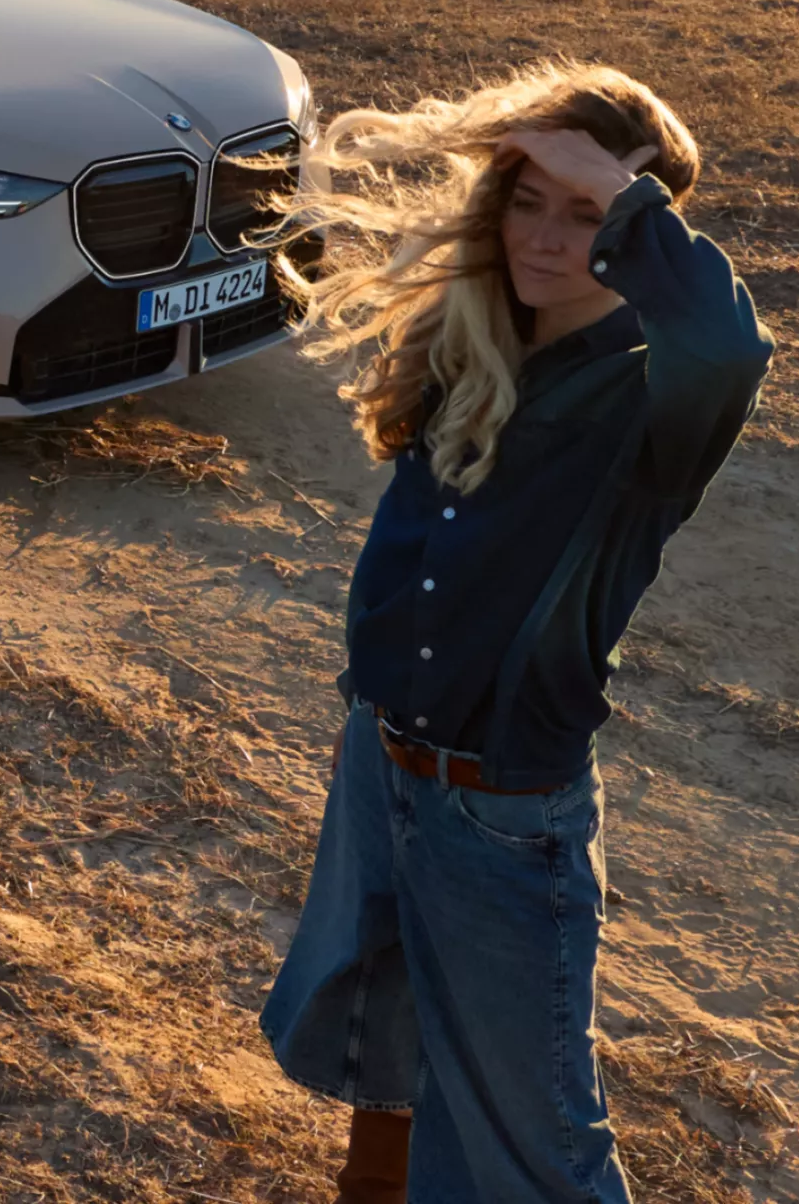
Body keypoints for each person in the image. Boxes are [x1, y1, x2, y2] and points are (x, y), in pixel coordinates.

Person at [258, 62, 772, 1203]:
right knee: (381, 1038)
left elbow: (731, 349)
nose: (544, 236)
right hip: (383, 765)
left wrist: (623, 188)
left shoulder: (649, 399)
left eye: (583, 211)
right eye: (527, 197)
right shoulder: (476, 345)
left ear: (638, 228)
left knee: (534, 1147)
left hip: (501, 812)